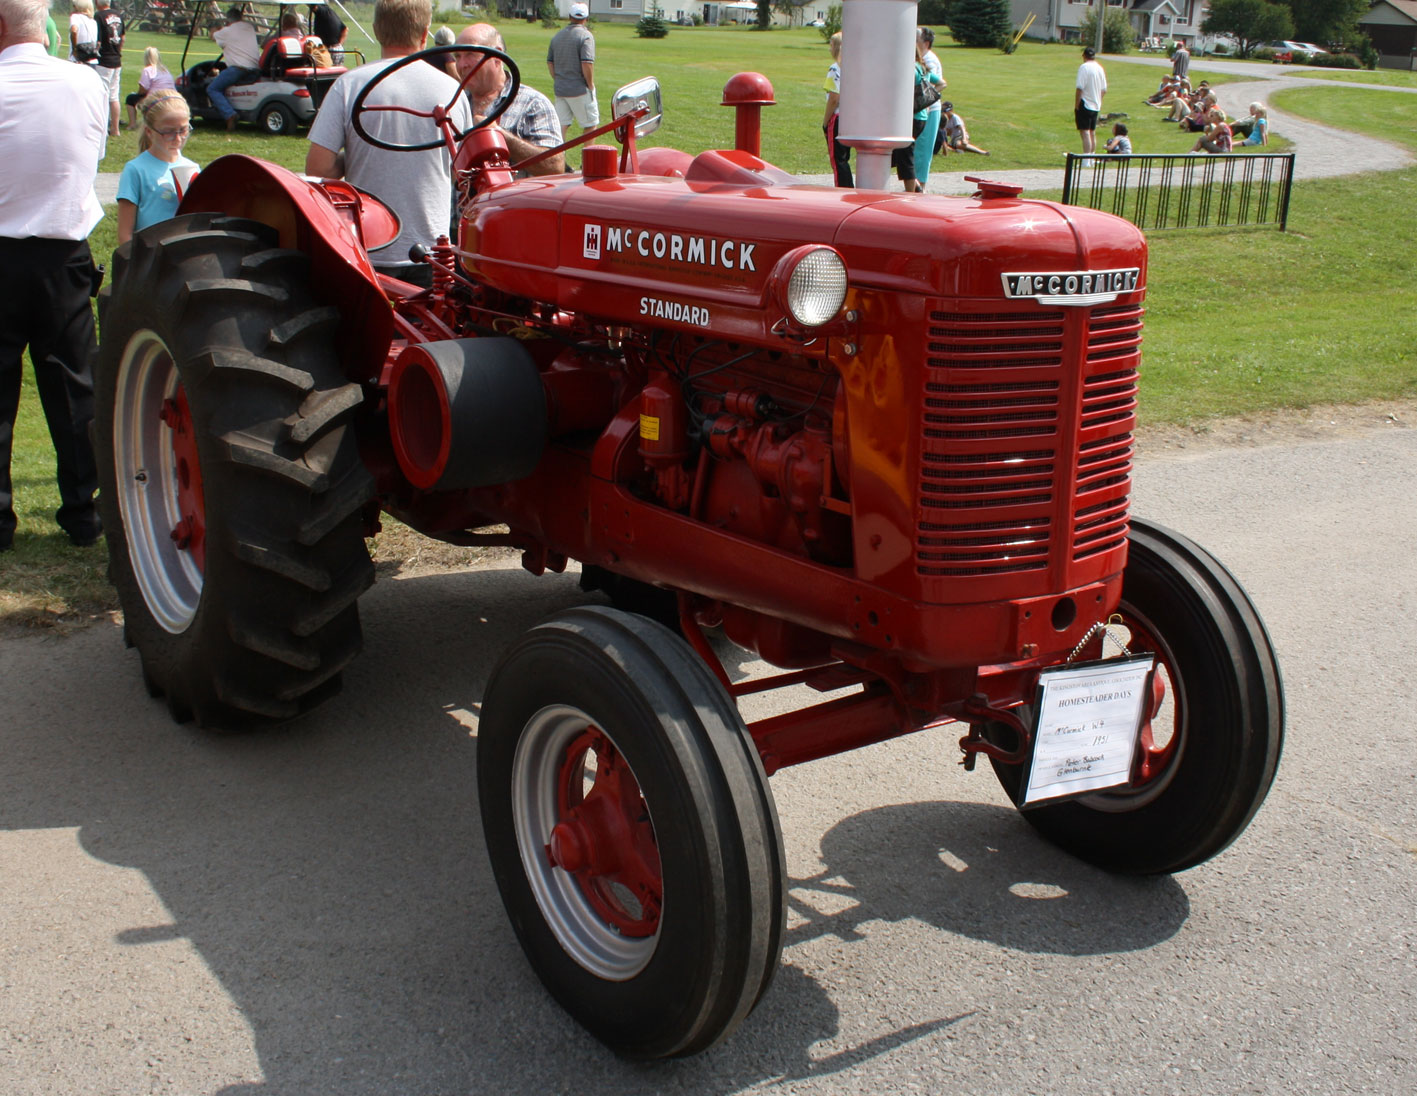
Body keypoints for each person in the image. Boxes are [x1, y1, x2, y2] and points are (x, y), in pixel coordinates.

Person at [0, 0, 109, 551]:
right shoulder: (85, 83)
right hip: (62, 251)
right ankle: (84, 514)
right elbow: (91, 153)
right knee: (72, 389)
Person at [306, 0, 474, 288]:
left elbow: (318, 167)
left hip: (367, 246)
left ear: (376, 31)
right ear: (425, 34)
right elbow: (464, 170)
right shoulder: (450, 89)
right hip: (433, 251)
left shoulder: (349, 84)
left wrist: (357, 154)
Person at [455, 24, 563, 176]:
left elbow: (554, 166)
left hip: (508, 200)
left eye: (470, 54)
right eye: (457, 57)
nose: (461, 65)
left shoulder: (532, 104)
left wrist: (497, 136)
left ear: (497, 57)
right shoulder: (453, 104)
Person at [117, 91, 199, 245]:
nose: (178, 138)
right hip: (150, 260)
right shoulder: (136, 170)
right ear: (149, 132)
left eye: (183, 130)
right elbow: (124, 235)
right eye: (168, 132)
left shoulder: (192, 168)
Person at [546, 2, 596, 136]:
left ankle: (556, 156)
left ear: (570, 17)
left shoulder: (557, 36)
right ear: (586, 18)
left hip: (560, 88)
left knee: (561, 126)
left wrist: (558, 78)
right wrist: (590, 85)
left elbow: (550, 63)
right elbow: (586, 63)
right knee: (590, 125)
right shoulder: (586, 36)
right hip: (579, 89)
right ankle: (587, 157)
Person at [208, 5, 260, 132]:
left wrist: (215, 29)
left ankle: (229, 114)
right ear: (241, 17)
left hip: (239, 68)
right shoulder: (249, 27)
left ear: (228, 20)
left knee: (212, 88)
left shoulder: (226, 31)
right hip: (255, 68)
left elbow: (212, 36)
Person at [912, 27, 944, 187]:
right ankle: (916, 184)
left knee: (922, 151)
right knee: (917, 149)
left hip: (928, 111)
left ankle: (920, 185)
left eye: (916, 40)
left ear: (925, 43)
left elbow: (933, 85)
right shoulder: (923, 59)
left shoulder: (928, 61)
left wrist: (924, 101)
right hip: (924, 111)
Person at [821, 30, 850, 187]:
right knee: (844, 158)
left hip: (837, 117)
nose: (829, 48)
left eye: (831, 45)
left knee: (837, 160)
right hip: (850, 117)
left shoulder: (835, 68)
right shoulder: (853, 66)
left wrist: (825, 122)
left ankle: (843, 189)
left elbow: (834, 98)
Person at [125, 46, 175, 128]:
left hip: (156, 98)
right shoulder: (165, 69)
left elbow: (143, 90)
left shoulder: (147, 70)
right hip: (170, 97)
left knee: (130, 98)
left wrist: (137, 94)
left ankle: (132, 124)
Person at [94, 0, 122, 136]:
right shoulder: (118, 15)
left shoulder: (99, 16)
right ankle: (115, 129)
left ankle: (103, 129)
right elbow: (123, 38)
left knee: (103, 96)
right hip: (116, 59)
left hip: (104, 60)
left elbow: (98, 40)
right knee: (114, 96)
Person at [1074, 45, 1106, 154]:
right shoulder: (1100, 68)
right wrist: (1099, 101)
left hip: (1085, 102)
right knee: (1092, 132)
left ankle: (1086, 157)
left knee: (1085, 132)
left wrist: (1077, 105)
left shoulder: (1084, 67)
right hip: (1096, 104)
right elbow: (1104, 89)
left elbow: (1079, 88)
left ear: (1084, 56)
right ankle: (1092, 155)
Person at [68, 0, 97, 65]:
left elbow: (74, 31)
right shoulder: (93, 21)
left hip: (77, 60)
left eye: (74, 5)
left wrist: (75, 49)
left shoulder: (75, 17)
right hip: (92, 59)